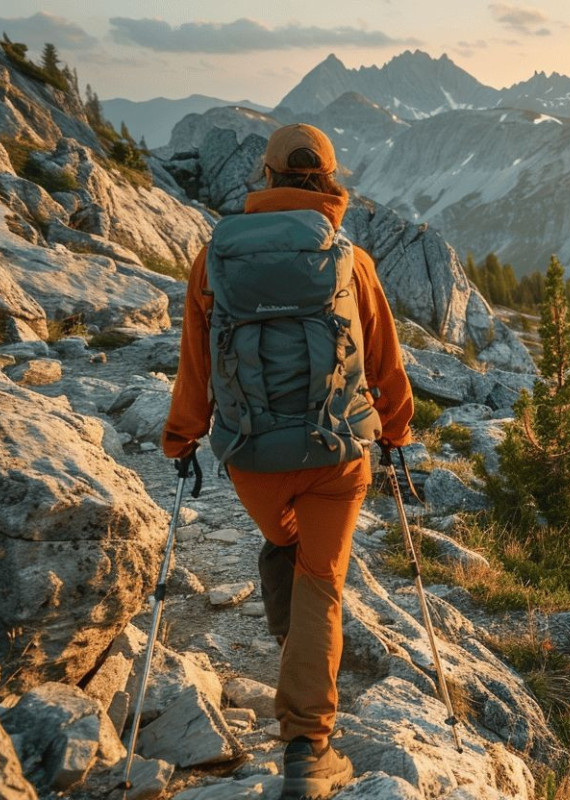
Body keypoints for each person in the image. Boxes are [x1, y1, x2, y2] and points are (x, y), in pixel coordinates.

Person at [162, 123, 414, 800]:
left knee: (286, 546)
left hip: (251, 459)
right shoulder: (350, 260)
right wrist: (396, 430)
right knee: (322, 582)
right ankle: (308, 751)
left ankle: (293, 640)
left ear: (266, 176)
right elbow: (386, 363)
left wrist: (181, 438)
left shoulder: (212, 258)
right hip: (337, 458)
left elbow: (196, 366)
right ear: (331, 182)